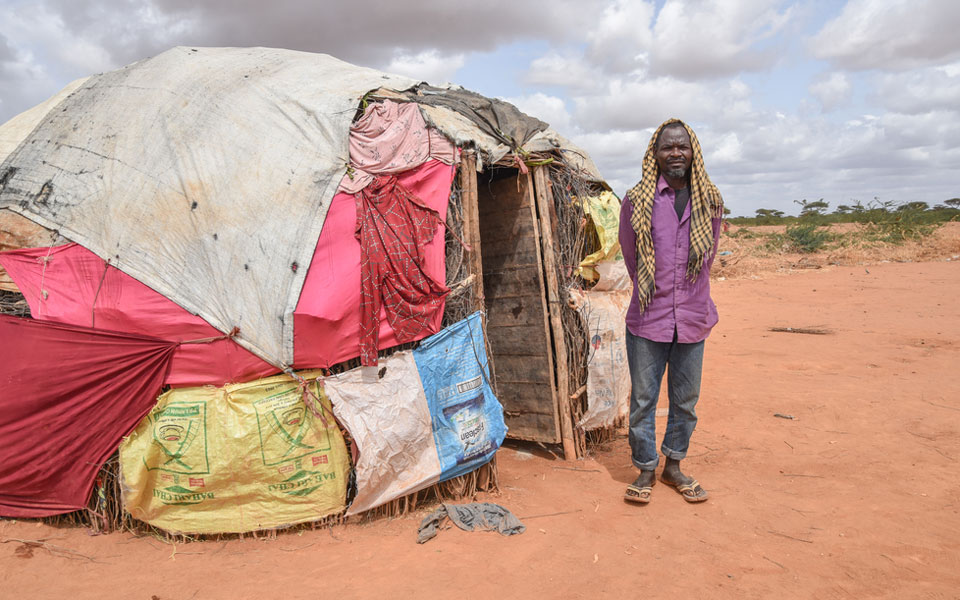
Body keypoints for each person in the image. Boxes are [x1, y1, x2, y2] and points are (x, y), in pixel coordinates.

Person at [617, 118, 723, 504]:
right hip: (649, 316)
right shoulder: (637, 199)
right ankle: (645, 467)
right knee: (643, 400)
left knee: (685, 401)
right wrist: (654, 291)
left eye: (682, 146)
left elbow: (708, 255)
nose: (675, 152)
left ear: (693, 152)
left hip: (693, 317)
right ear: (656, 154)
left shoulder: (710, 199)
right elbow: (631, 255)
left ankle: (673, 466)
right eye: (667, 147)